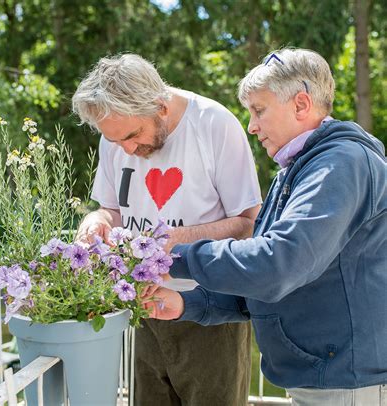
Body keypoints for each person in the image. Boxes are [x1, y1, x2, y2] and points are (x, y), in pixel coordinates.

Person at [144, 48, 387, 405]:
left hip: (344, 384)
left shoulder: (339, 165)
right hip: (324, 378)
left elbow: (277, 265)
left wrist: (171, 256)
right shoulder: (298, 168)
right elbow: (263, 282)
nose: (251, 126)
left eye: (259, 110)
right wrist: (185, 304)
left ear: (301, 104)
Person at [72, 54, 262, 405]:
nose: (127, 149)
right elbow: (110, 209)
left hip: (209, 311)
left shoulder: (214, 125)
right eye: (116, 142)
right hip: (143, 310)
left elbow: (249, 223)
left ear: (159, 106)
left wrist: (176, 241)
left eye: (133, 135)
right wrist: (95, 221)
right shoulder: (114, 136)